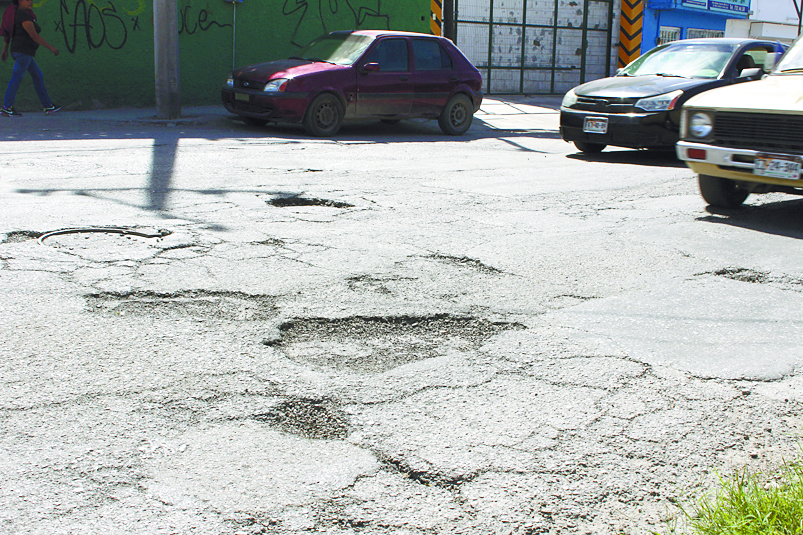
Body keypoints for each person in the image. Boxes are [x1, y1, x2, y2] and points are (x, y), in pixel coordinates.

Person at [1, 0, 60, 117]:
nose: (30, 2)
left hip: (22, 52)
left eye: (31, 0)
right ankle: (6, 107)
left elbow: (9, 33)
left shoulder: (18, 14)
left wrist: (5, 50)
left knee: (37, 76)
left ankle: (47, 106)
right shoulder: (22, 14)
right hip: (23, 52)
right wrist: (51, 48)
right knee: (17, 78)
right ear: (20, 1)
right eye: (27, 0)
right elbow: (33, 35)